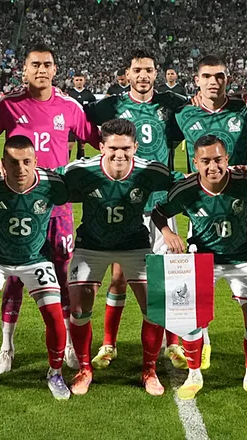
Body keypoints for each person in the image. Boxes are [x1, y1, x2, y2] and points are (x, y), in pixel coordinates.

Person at [0, 43, 101, 374]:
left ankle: (68, 344)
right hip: (18, 206)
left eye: (47, 64)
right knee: (14, 274)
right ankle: (6, 346)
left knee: (63, 273)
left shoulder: (69, 106)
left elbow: (99, 140)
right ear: (24, 70)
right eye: (35, 65)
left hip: (57, 205)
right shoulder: (9, 105)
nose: (41, 70)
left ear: (55, 69)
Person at [85, 49, 189, 370]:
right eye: (137, 70)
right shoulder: (112, 106)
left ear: (156, 73)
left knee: (167, 278)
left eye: (148, 70)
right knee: (119, 277)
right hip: (125, 203)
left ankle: (174, 343)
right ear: (127, 74)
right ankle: (108, 344)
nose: (143, 75)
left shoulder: (170, 105)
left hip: (160, 203)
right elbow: (82, 119)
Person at [64, 119, 183, 396]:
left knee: (154, 306)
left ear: (135, 147)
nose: (120, 154)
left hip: (134, 244)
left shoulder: (149, 170)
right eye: (114, 148)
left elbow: (186, 180)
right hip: (91, 245)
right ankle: (84, 369)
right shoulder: (81, 170)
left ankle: (149, 370)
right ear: (101, 147)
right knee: (79, 307)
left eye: (126, 148)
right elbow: (45, 177)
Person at [152, 135, 247, 403]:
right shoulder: (185, 190)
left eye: (218, 160)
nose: (212, 167)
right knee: (191, 317)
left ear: (227, 160)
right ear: (195, 163)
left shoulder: (244, 183)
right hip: (203, 259)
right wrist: (168, 233)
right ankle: (194, 375)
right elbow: (159, 212)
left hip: (242, 258)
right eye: (205, 161)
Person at [0, 135, 71, 401]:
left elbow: (73, 185)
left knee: (54, 316)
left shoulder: (52, 183)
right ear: (3, 163)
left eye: (27, 162)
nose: (21, 169)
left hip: (36, 260)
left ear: (36, 162)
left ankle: (55, 373)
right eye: (14, 162)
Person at [174, 55, 247, 370]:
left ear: (227, 79)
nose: (213, 81)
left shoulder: (243, 109)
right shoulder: (183, 113)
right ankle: (203, 344)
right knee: (200, 287)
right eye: (207, 76)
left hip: (240, 209)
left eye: (219, 76)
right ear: (196, 80)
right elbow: (162, 146)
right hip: (201, 211)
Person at [67, 72, 97, 159]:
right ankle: (66, 165)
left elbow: (93, 108)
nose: (79, 82)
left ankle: (80, 165)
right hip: (71, 123)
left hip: (83, 124)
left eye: (80, 80)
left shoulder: (88, 94)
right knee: (69, 145)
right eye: (77, 80)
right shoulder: (69, 93)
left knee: (82, 146)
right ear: (73, 81)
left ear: (84, 81)